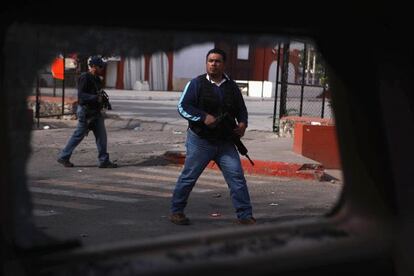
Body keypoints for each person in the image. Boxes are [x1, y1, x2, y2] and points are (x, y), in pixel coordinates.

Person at [170, 48, 255, 225]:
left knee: (237, 177)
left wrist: (242, 124)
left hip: (225, 142)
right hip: (200, 140)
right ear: (206, 63)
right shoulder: (197, 84)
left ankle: (245, 215)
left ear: (224, 64)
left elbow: (241, 109)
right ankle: (177, 211)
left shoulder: (232, 86)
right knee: (189, 176)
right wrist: (203, 117)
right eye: (210, 61)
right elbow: (182, 107)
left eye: (217, 61)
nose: (213, 64)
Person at [57, 56, 117, 168]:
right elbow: (81, 96)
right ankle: (63, 156)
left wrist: (103, 100)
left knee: (101, 137)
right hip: (86, 112)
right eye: (100, 67)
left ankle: (104, 160)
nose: (102, 69)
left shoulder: (97, 79)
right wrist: (95, 98)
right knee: (78, 135)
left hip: (96, 113)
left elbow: (99, 93)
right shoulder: (85, 77)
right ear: (93, 67)